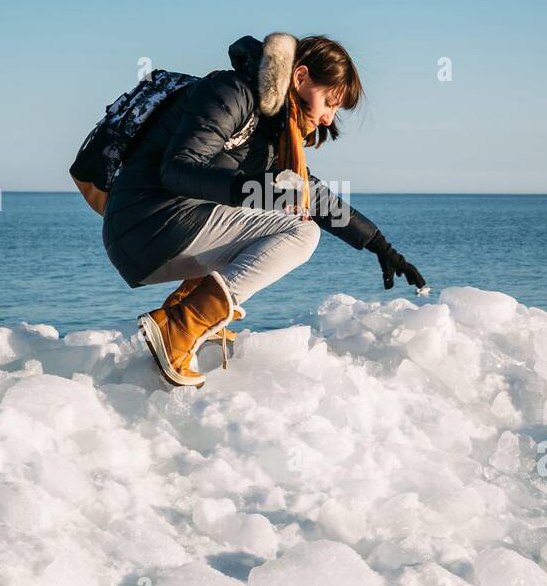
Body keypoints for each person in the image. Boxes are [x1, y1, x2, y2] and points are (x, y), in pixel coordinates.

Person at [102, 32, 426, 387]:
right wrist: (246, 190)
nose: (329, 119)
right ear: (300, 77)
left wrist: (379, 245)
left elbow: (310, 195)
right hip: (148, 222)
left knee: (286, 214)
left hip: (157, 231)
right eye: (329, 103)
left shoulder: (276, 128)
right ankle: (181, 326)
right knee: (301, 231)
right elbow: (177, 168)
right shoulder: (233, 92)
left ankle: (188, 319)